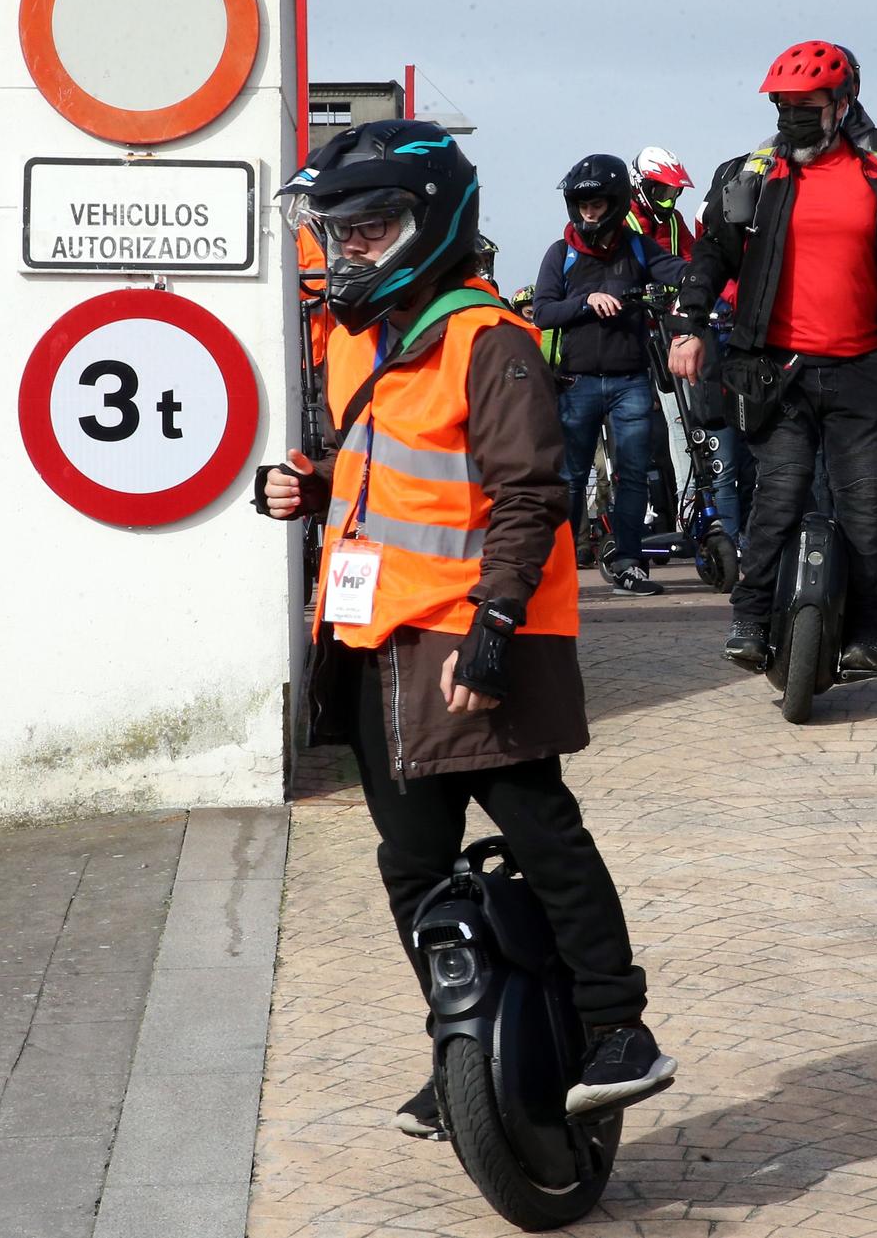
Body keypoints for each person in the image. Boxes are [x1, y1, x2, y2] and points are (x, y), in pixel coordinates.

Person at [261, 120, 674, 1137]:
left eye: (368, 231)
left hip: (474, 634)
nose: (345, 252)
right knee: (409, 863)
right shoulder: (359, 338)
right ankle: (466, 1040)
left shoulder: (488, 341)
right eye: (336, 234)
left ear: (429, 225)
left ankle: (617, 1025)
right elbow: (392, 480)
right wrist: (306, 487)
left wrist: (491, 637)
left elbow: (530, 498)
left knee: (539, 825)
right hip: (372, 642)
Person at [671, 39, 877, 673]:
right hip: (775, 371)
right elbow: (711, 252)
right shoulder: (752, 174)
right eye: (783, 106)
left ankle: (863, 633)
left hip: (863, 370)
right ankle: (749, 616)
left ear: (841, 106)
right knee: (780, 492)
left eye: (807, 106)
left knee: (863, 503)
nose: (792, 118)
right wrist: (688, 325)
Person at [531, 153, 686, 595]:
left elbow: (678, 271)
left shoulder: (638, 247)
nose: (589, 211)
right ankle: (559, 566)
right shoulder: (559, 253)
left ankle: (631, 562)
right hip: (575, 383)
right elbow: (542, 312)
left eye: (597, 204)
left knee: (634, 473)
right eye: (582, 204)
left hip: (630, 381)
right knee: (572, 476)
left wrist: (712, 272)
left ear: (616, 204)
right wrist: (587, 301)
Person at [630, 146, 698, 259]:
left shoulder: (674, 220)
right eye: (662, 193)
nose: (669, 202)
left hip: (673, 275)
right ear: (643, 185)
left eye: (673, 193)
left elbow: (694, 260)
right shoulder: (620, 220)